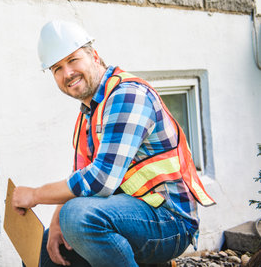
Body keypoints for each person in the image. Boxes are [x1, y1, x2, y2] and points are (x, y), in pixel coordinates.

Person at [11, 20, 215, 267]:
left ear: (94, 56)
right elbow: (80, 178)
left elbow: (100, 180)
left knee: (77, 217)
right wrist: (56, 223)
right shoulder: (88, 114)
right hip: (128, 216)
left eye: (73, 60)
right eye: (57, 68)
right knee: (43, 252)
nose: (67, 73)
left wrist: (35, 195)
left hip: (170, 220)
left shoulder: (126, 95)